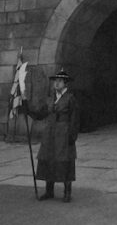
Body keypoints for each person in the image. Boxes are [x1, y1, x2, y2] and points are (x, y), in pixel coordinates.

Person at [26, 69, 80, 203]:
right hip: (50, 132)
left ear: (65, 83)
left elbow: (75, 119)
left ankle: (67, 192)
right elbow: (41, 114)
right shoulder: (50, 99)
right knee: (48, 157)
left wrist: (72, 136)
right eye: (55, 81)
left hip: (64, 132)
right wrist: (26, 108)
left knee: (64, 160)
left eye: (60, 81)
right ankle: (49, 190)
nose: (57, 83)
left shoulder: (70, 99)